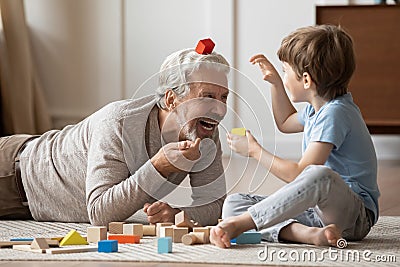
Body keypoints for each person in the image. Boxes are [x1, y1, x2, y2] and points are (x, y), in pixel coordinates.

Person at [0, 46, 230, 226]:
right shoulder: (120, 122)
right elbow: (101, 213)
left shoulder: (204, 130)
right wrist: (159, 166)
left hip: (34, 207)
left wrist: (180, 215)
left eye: (223, 98)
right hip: (13, 173)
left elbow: (215, 203)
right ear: (171, 100)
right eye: (207, 96)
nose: (219, 109)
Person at [210, 25, 380, 248]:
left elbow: (300, 174)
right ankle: (308, 235)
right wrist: (276, 83)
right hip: (318, 212)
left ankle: (245, 223)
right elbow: (285, 121)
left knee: (319, 175)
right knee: (234, 203)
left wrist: (255, 151)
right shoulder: (315, 109)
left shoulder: (336, 113)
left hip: (355, 215)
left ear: (307, 80)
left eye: (285, 71)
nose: (283, 75)